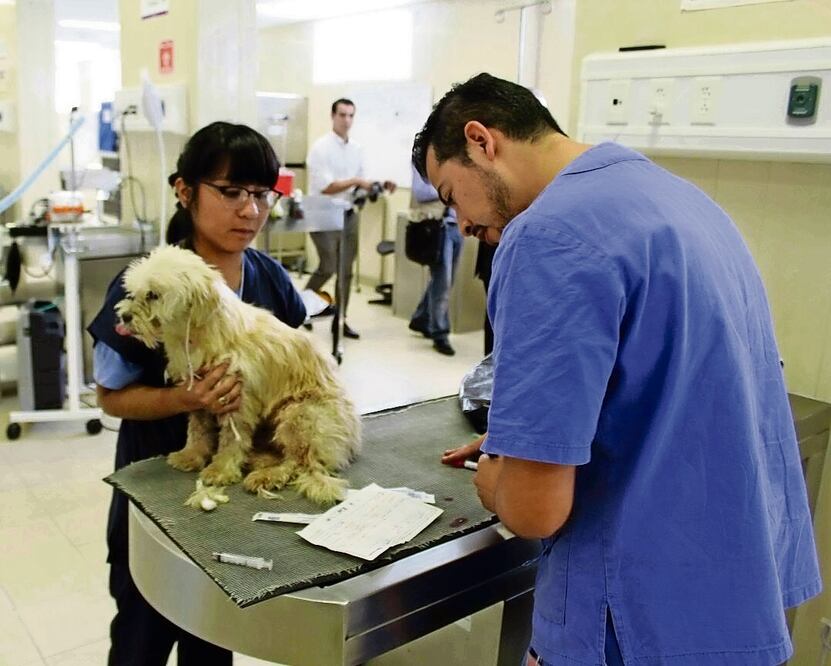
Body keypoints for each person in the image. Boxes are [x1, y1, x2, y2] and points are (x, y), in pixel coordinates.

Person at [416, 73, 820, 666]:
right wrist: (526, 438)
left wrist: (504, 478)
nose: (464, 227)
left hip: (635, 616)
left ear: (481, 141)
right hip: (731, 596)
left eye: (453, 197)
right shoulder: (678, 198)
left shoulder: (545, 237)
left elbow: (535, 510)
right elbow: (663, 384)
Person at [88, 121, 307, 666]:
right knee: (140, 635)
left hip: (232, 491)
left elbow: (296, 363)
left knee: (212, 641)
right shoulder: (145, 286)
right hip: (161, 475)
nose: (250, 211)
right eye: (230, 192)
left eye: (261, 195)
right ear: (184, 191)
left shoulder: (269, 279)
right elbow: (110, 397)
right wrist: (188, 400)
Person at [304, 98, 395, 340]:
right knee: (328, 266)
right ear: (333, 116)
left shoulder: (357, 149)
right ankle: (301, 305)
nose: (347, 120)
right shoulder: (320, 148)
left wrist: (379, 185)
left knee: (345, 271)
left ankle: (340, 320)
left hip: (348, 214)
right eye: (342, 115)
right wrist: (356, 181)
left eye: (350, 116)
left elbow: (363, 183)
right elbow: (326, 187)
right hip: (323, 213)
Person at [408, 163, 463, 355]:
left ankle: (421, 318)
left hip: (458, 224)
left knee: (445, 280)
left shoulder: (458, 157)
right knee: (443, 281)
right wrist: (450, 188)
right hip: (437, 226)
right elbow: (420, 192)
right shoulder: (423, 159)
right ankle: (440, 333)